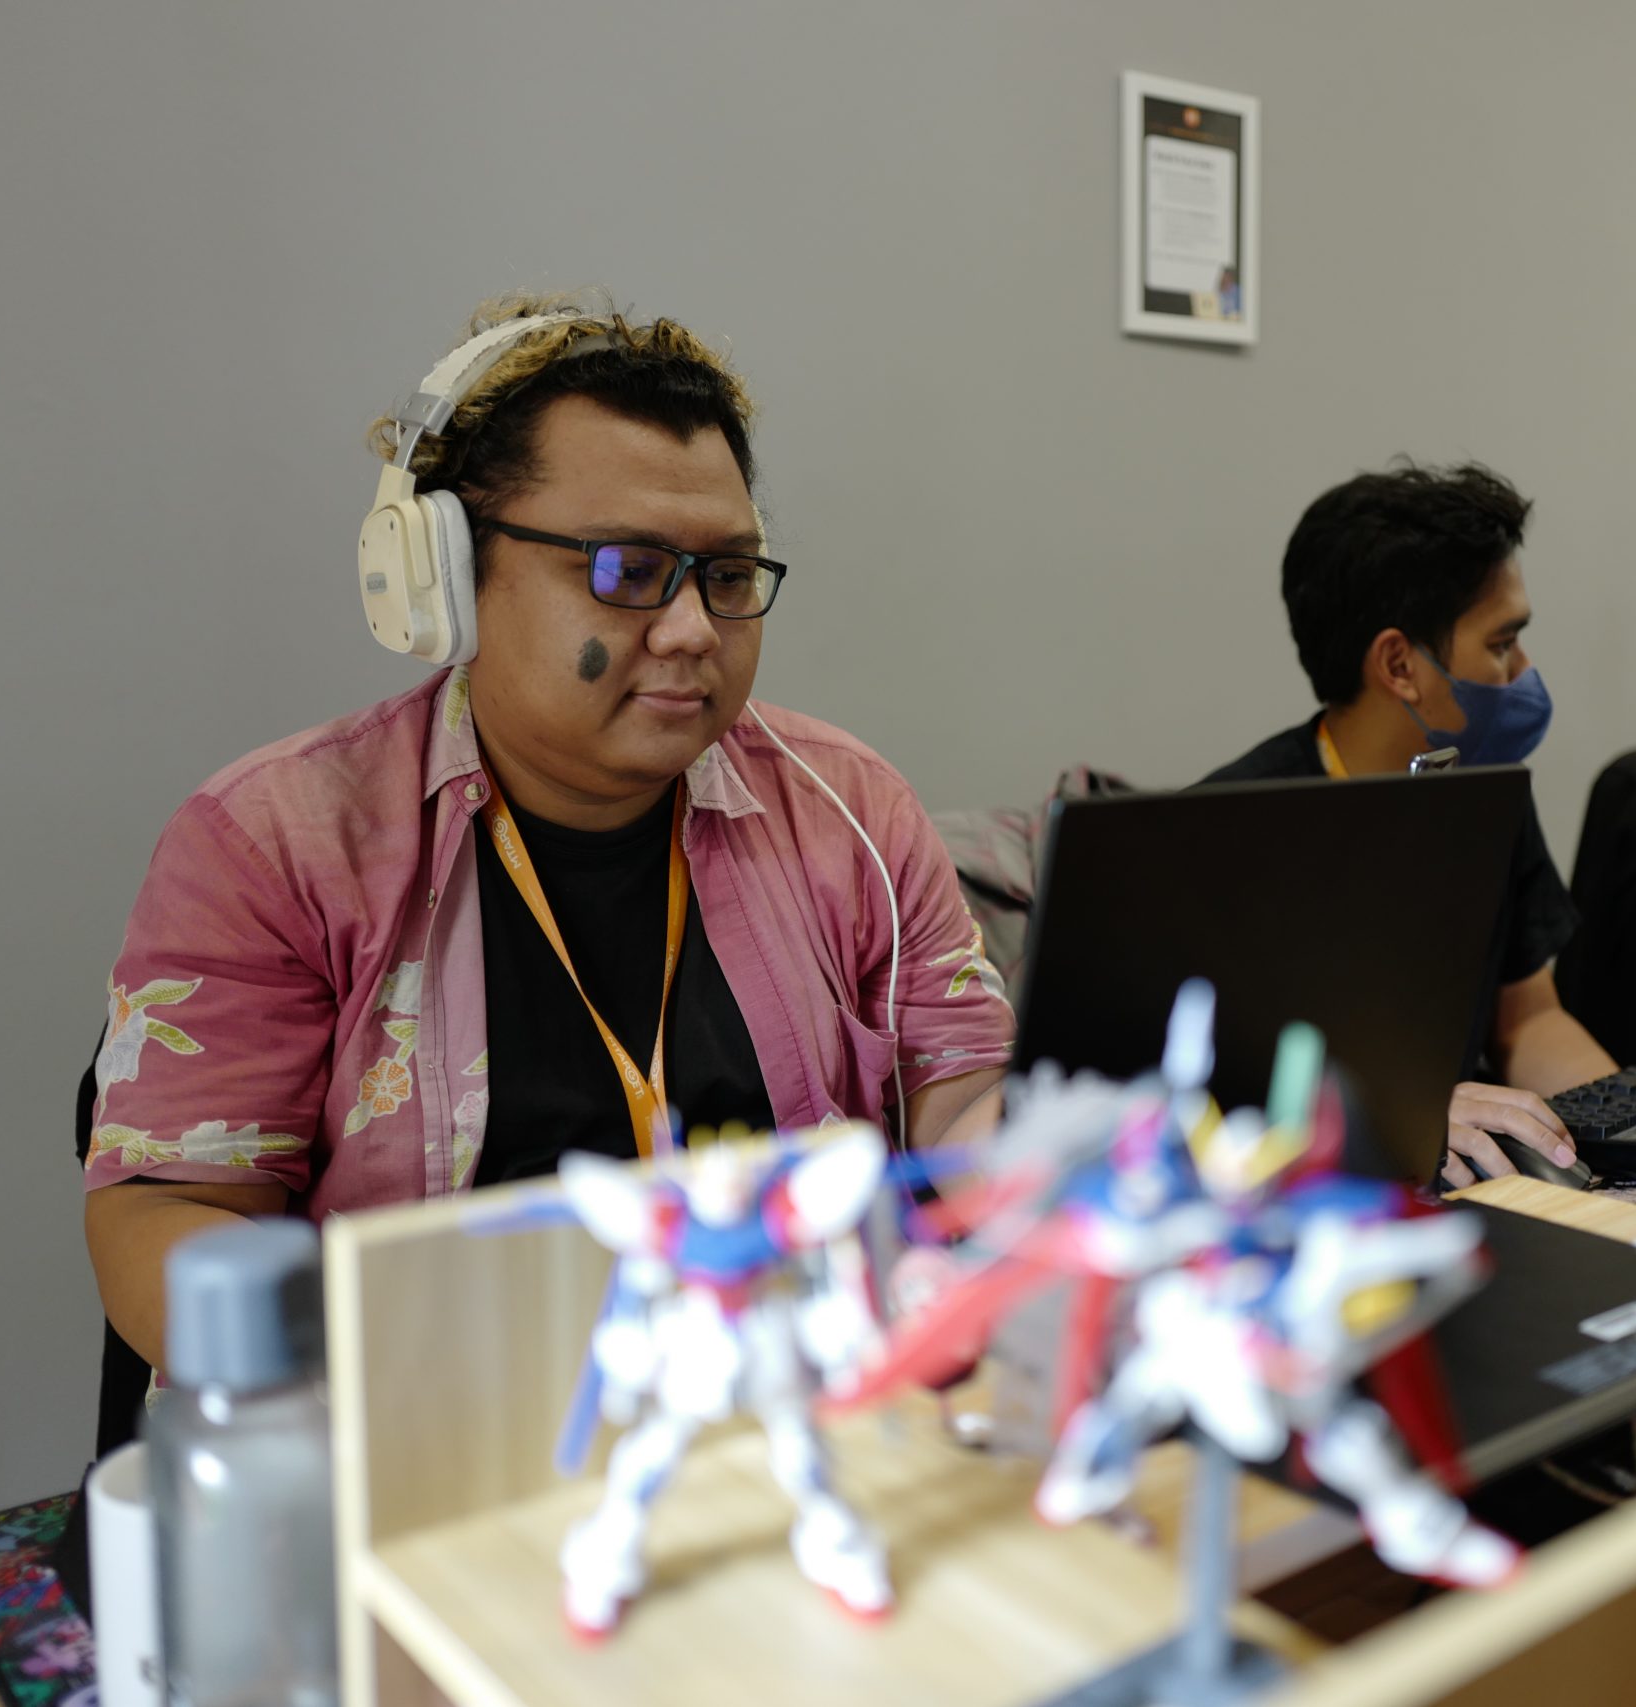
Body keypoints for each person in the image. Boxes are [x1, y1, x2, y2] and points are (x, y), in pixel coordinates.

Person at [81, 296, 1013, 1375]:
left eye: (726, 576)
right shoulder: (276, 845)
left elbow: (957, 1100)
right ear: (447, 579)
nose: (692, 630)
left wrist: (1071, 1171)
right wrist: (381, 1381)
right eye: (624, 570)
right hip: (448, 1428)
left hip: (799, 1402)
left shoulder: (849, 809)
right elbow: (170, 1215)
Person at [1199, 462, 1616, 1186]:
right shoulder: (1231, 831)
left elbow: (1528, 1019)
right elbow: (1205, 1100)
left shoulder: (1486, 799)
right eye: (1500, 643)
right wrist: (1401, 1111)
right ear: (1399, 664)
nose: (1524, 669)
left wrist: (1634, 1124)